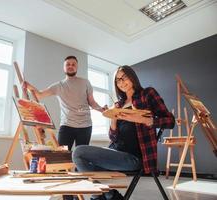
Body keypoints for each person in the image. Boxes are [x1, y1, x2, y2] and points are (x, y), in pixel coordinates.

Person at [72, 65, 175, 200]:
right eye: (117, 80)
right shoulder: (118, 104)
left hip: (134, 158)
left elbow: (170, 121)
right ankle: (108, 194)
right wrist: (113, 119)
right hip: (116, 152)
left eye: (123, 77)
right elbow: (113, 137)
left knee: (78, 152)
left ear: (132, 76)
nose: (121, 82)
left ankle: (103, 195)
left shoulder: (147, 94)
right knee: (78, 167)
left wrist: (145, 120)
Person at [23, 55, 106, 151]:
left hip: (85, 126)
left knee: (81, 156)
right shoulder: (58, 86)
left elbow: (92, 102)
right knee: (62, 155)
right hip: (66, 126)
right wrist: (28, 86)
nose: (71, 66)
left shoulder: (85, 82)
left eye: (73, 64)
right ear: (64, 67)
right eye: (68, 64)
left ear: (77, 67)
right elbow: (39, 95)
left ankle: (77, 167)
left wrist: (102, 110)